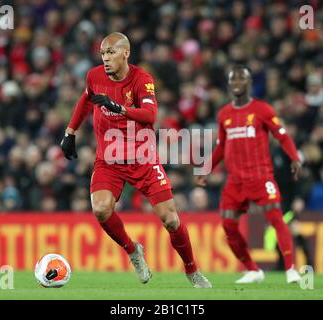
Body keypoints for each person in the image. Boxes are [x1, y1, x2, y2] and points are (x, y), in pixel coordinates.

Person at [60, 32, 211, 288]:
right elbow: (87, 98)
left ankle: (192, 270)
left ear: (126, 53)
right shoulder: (94, 76)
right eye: (103, 54)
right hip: (109, 158)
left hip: (142, 158)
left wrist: (119, 107)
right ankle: (133, 251)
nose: (106, 59)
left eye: (111, 53)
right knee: (100, 209)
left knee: (171, 219)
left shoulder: (142, 80)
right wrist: (70, 132)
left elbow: (150, 115)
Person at [196, 65, 302, 284]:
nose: (236, 84)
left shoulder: (262, 110)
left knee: (275, 217)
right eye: (233, 80)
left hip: (260, 176)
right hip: (235, 180)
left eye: (241, 80)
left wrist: (294, 157)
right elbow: (221, 147)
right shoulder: (224, 114)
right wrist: (206, 168)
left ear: (249, 82)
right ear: (229, 85)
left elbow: (281, 135)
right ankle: (253, 270)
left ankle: (291, 269)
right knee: (228, 225)